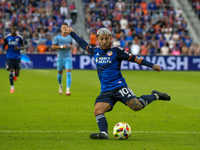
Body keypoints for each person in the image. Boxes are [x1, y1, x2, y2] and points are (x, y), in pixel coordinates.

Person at [65, 27, 171, 139]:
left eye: (106, 38)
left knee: (137, 106)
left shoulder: (116, 51)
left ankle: (155, 95)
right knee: (98, 110)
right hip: (106, 90)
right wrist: (71, 33)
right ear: (98, 39)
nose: (104, 41)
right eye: (102, 39)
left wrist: (152, 65)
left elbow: (135, 58)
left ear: (110, 38)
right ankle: (103, 133)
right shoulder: (95, 51)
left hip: (119, 87)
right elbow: (82, 43)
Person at [0, 25, 25, 93]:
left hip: (17, 57)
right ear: (11, 29)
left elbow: (23, 47)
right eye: (12, 29)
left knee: (17, 74)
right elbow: (3, 45)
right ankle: (12, 88)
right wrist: (1, 50)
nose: (13, 30)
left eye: (14, 28)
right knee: (10, 70)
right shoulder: (7, 37)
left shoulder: (20, 37)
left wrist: (19, 48)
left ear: (16, 29)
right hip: (9, 56)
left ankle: (14, 74)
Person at [52, 23, 73, 95]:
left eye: (66, 27)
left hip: (68, 57)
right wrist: (61, 47)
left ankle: (68, 90)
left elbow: (71, 45)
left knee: (69, 74)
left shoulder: (70, 37)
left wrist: (71, 47)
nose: (64, 29)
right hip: (60, 58)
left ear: (67, 29)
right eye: (63, 27)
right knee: (59, 75)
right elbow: (53, 47)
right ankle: (60, 85)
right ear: (61, 29)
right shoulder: (57, 37)